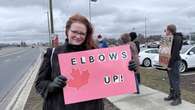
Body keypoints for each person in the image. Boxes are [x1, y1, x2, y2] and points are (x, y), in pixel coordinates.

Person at [35, 14, 137, 110]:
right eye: (74, 32)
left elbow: (109, 73)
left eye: (82, 33)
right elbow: (39, 83)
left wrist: (127, 68)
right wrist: (51, 85)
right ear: (67, 31)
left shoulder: (94, 53)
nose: (78, 36)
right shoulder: (53, 54)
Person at [163, 24, 183, 106]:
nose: (165, 31)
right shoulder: (169, 38)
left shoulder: (177, 38)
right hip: (169, 62)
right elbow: (165, 50)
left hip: (174, 62)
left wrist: (170, 65)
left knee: (175, 80)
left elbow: (174, 53)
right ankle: (172, 95)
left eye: (166, 30)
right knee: (171, 80)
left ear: (170, 30)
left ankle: (178, 98)